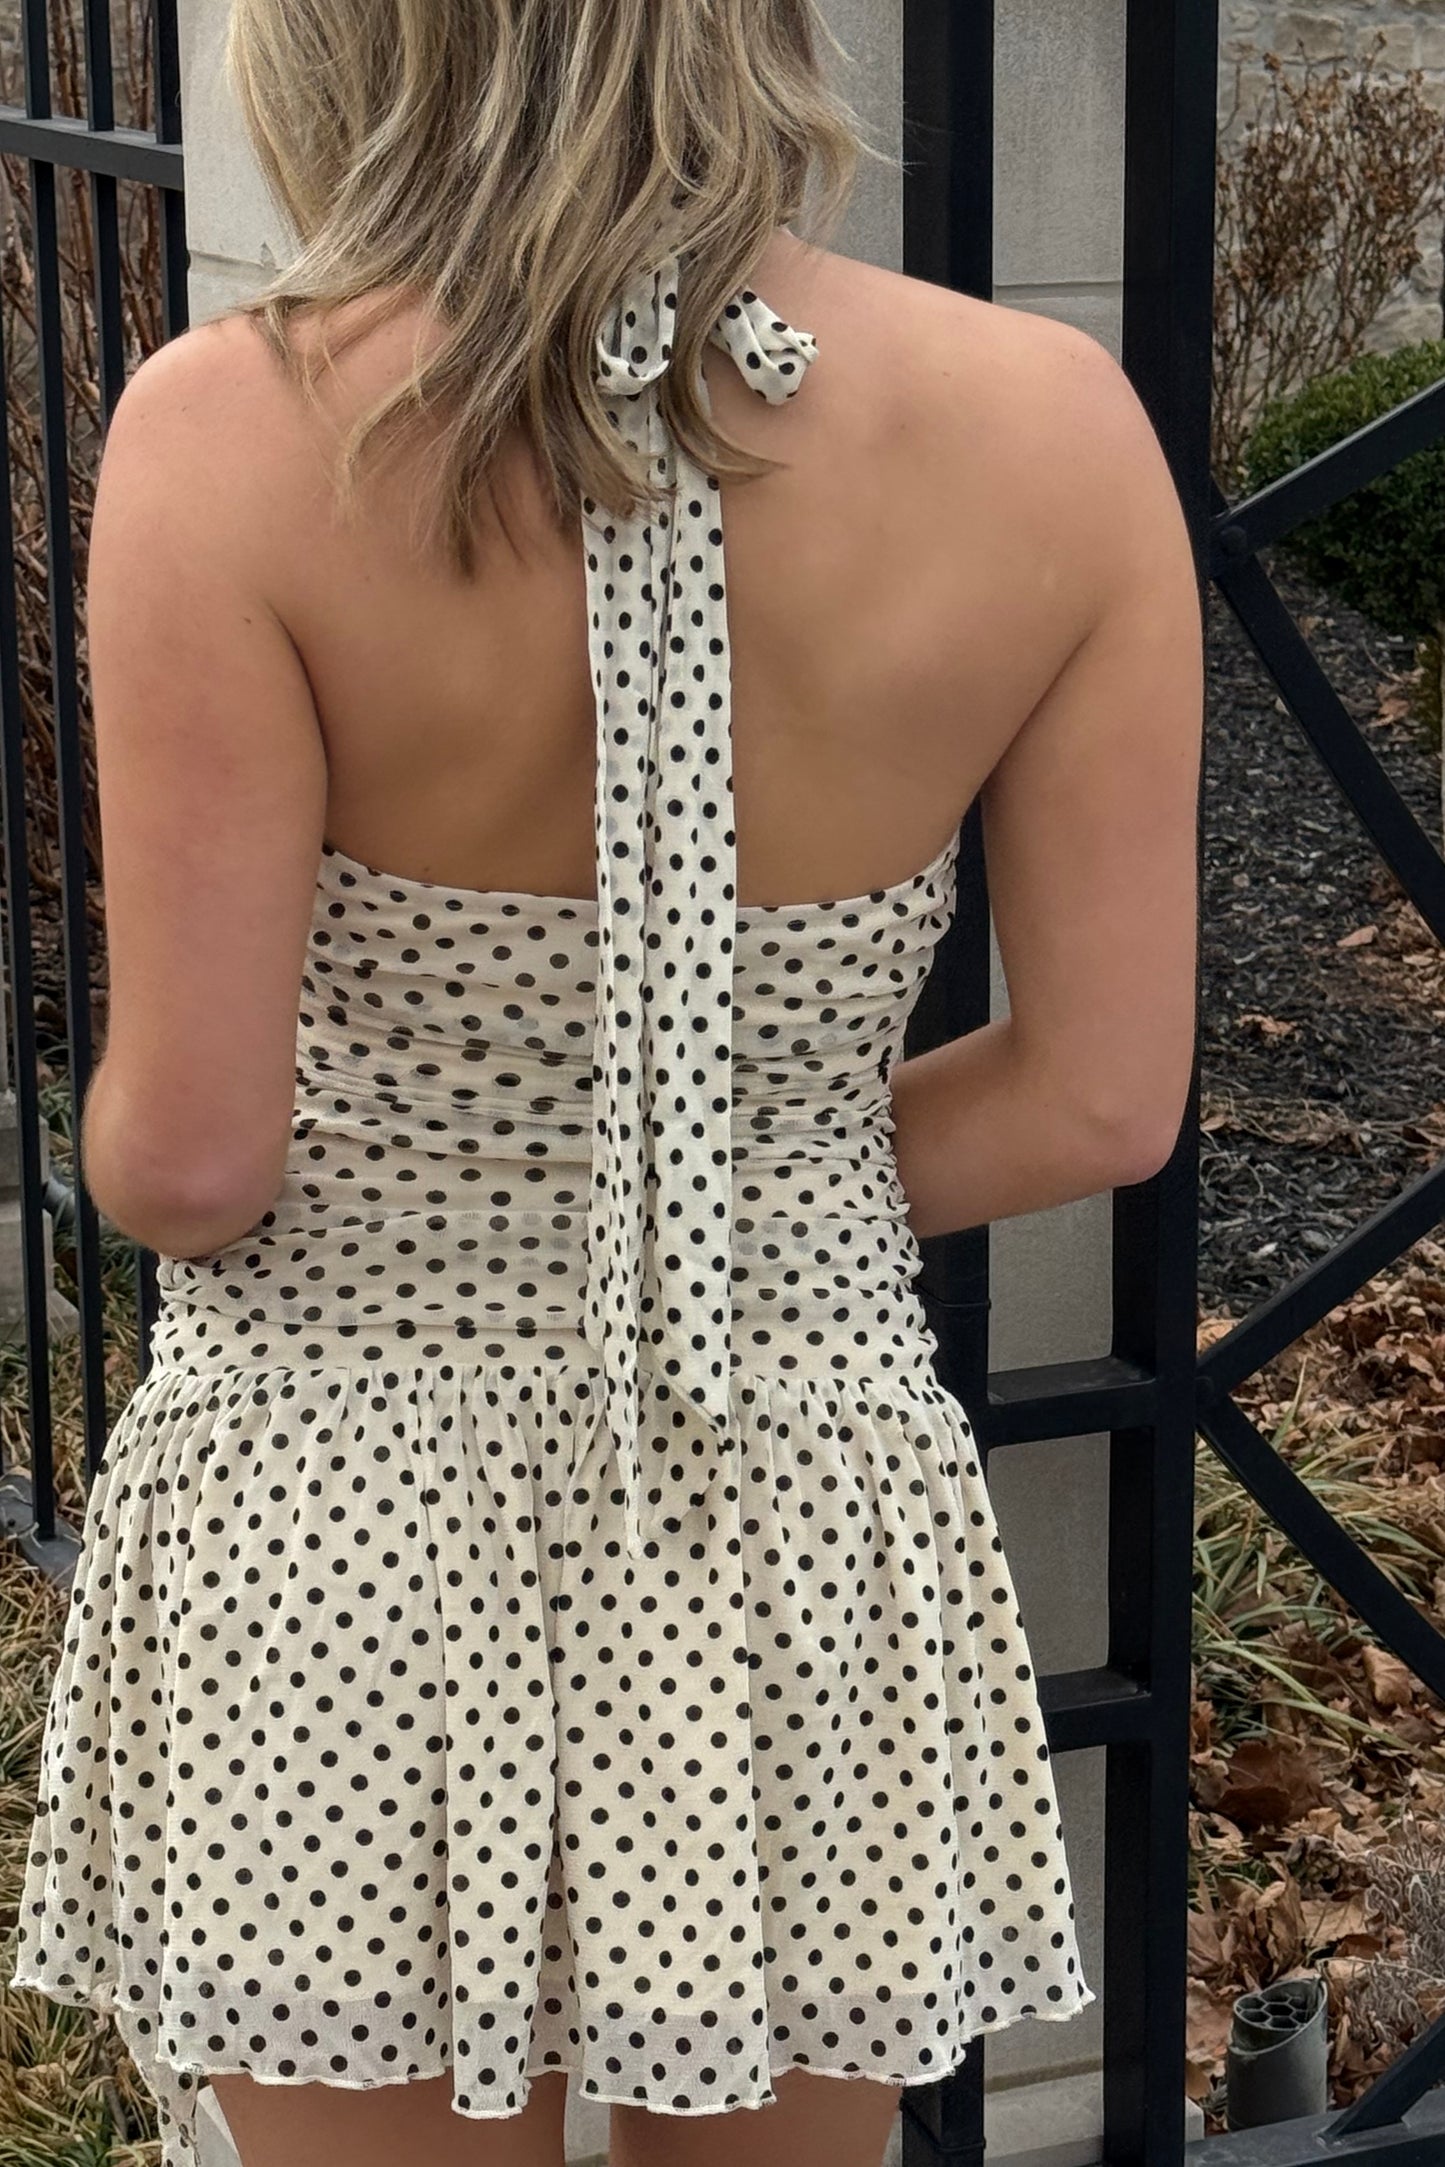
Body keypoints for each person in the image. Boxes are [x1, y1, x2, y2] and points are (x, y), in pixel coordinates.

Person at [8, 2, 1203, 2164]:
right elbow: (1098, 1101)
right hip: (791, 1488)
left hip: (338, 1495)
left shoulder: (239, 433)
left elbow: (191, 1161)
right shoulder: (1055, 427)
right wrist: (742, 1192)